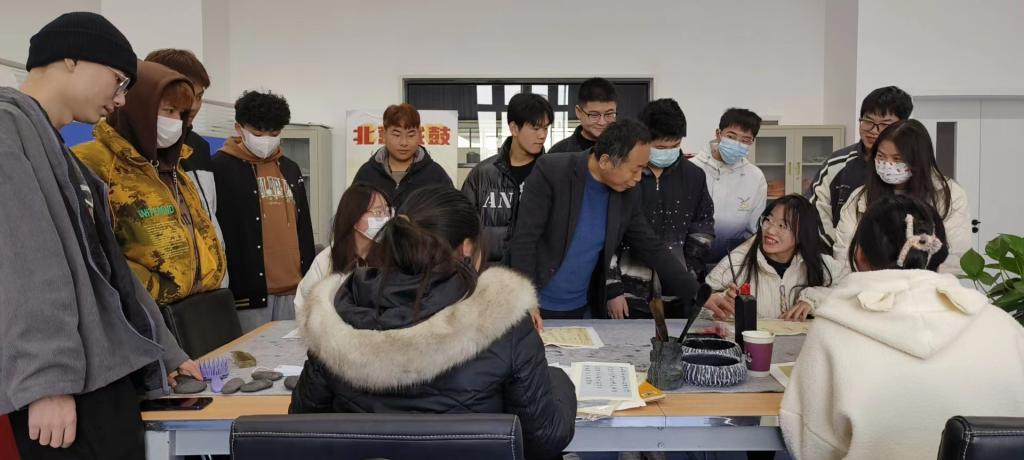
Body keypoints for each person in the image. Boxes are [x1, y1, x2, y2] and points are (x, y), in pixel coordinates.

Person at [0, 12, 198, 459]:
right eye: (118, 80)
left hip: (101, 376)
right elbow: (25, 266)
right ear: (72, 58)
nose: (121, 98)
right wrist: (47, 383)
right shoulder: (7, 129)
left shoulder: (60, 152)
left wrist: (166, 353)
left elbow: (109, 273)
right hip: (66, 387)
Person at [290, 186, 576, 460]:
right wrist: (558, 380)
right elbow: (543, 439)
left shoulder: (335, 315)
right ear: (467, 248)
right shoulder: (505, 325)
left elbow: (302, 423)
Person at [781, 194, 1024, 460]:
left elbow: (808, 442)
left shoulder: (832, 331)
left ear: (860, 254)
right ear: (937, 253)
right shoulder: (1004, 327)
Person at [508, 119, 698, 320]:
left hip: (584, 306)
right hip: (535, 302)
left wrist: (698, 293)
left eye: (642, 170)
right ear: (605, 161)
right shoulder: (553, 171)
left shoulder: (627, 192)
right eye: (634, 170)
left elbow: (651, 246)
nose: (638, 178)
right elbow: (525, 240)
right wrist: (526, 301)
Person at [72, 60, 226, 305]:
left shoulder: (172, 166)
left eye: (181, 114)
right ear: (139, 109)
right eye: (168, 111)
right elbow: (90, 250)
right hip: (138, 311)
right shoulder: (92, 162)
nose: (176, 122)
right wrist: (146, 288)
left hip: (197, 306)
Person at [212, 90, 316, 332]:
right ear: (239, 128)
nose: (266, 140)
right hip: (248, 295)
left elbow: (304, 226)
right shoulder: (220, 168)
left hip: (294, 290)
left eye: (274, 133)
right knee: (251, 353)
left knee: (292, 352)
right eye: (258, 134)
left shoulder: (290, 169)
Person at [606, 98, 715, 319]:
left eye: (675, 146)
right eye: (660, 148)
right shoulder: (625, 175)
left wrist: (688, 271)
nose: (668, 152)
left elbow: (703, 227)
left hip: (678, 290)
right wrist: (612, 287)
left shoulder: (694, 176)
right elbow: (608, 234)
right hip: (628, 290)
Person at [833, 119, 970, 274]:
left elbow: (954, 256)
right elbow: (844, 254)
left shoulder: (947, 195)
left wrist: (923, 283)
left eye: (897, 159)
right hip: (872, 283)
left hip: (927, 284)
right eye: (881, 156)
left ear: (918, 160)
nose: (887, 164)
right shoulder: (860, 197)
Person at [145, 48, 229, 287]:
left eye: (199, 96)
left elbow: (210, 217)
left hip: (211, 287)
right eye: (185, 96)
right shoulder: (133, 152)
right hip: (163, 291)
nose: (193, 106)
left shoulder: (199, 148)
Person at [703, 195, 843, 321]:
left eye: (782, 225)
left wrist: (812, 300)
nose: (770, 230)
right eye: (768, 220)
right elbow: (701, 308)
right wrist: (723, 304)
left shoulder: (820, 264)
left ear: (803, 233)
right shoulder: (736, 263)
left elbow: (849, 292)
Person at [810, 86, 913, 245]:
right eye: (868, 121)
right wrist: (840, 250)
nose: (873, 130)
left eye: (885, 124)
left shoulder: (910, 167)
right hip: (840, 253)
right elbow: (815, 212)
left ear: (902, 125)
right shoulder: (837, 163)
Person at [462, 92, 552, 264]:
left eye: (546, 128)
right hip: (489, 272)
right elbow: (463, 226)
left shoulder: (552, 173)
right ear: (514, 128)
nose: (542, 135)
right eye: (535, 128)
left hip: (534, 272)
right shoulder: (482, 173)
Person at [294, 183, 392, 310]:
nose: (386, 218)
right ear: (354, 217)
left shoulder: (392, 255)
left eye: (387, 211)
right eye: (378, 212)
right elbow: (302, 303)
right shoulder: (327, 259)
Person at [692, 108, 768, 262]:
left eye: (745, 140)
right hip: (689, 257)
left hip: (733, 262)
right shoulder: (693, 169)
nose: (737, 144)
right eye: (731, 137)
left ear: (752, 142)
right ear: (718, 134)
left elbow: (754, 230)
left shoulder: (755, 177)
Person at [351, 103, 453, 206]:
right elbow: (352, 212)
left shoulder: (436, 175)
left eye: (411, 135)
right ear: (384, 135)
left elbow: (453, 211)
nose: (404, 142)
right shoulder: (366, 174)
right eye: (396, 135)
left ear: (419, 135)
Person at [549, 77, 617, 153]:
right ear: (578, 112)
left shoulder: (626, 149)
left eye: (609, 114)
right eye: (594, 115)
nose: (602, 122)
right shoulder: (558, 153)